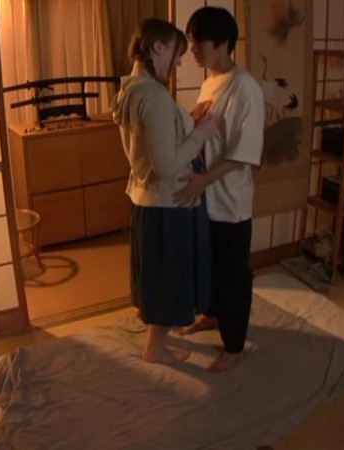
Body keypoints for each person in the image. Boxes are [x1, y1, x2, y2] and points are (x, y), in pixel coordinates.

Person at [110, 18, 220, 364]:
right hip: (167, 200)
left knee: (158, 272)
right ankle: (154, 347)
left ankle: (155, 339)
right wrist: (201, 132)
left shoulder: (130, 89)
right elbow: (167, 164)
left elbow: (157, 141)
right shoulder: (153, 97)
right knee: (169, 274)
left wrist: (188, 122)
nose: (179, 62)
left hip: (149, 198)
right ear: (158, 47)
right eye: (176, 53)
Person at [175, 6, 265, 373]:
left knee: (233, 274)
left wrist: (203, 180)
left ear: (224, 43)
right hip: (207, 195)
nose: (193, 50)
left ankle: (235, 346)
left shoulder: (245, 87)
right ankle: (212, 315)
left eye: (200, 42)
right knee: (209, 263)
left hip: (230, 199)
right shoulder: (210, 81)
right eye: (192, 41)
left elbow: (244, 153)